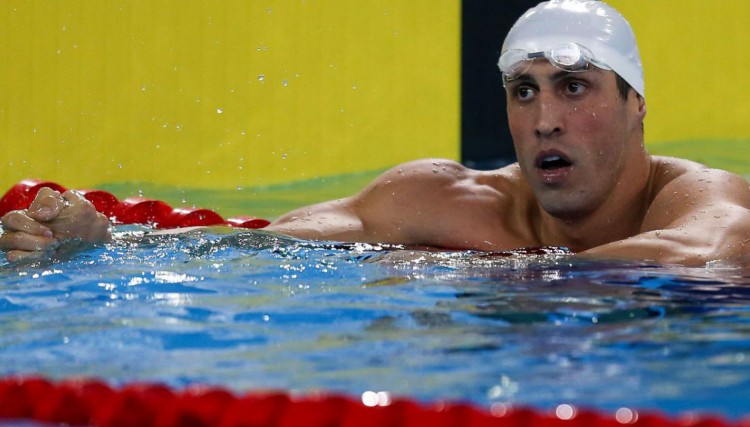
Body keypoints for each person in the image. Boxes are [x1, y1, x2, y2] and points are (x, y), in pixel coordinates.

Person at [2, 0, 749, 266]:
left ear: (636, 104)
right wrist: (106, 241)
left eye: (574, 87)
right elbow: (261, 246)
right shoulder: (441, 200)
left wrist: (482, 276)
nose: (544, 117)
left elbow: (708, 255)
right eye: (523, 91)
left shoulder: (702, 200)